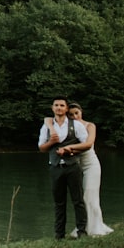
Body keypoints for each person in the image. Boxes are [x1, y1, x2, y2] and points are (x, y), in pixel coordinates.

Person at [38, 96, 89, 239]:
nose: (59, 107)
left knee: (78, 200)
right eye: (56, 105)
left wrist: (70, 150)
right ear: (52, 108)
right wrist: (51, 142)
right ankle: (59, 235)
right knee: (59, 202)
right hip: (55, 167)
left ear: (66, 108)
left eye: (62, 105)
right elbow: (41, 147)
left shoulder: (76, 125)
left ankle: (82, 232)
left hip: (72, 166)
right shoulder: (46, 127)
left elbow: (86, 145)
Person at [66, 103, 114, 236]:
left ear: (81, 112)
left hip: (91, 166)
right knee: (80, 198)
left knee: (89, 195)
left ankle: (93, 228)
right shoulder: (69, 129)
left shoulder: (89, 126)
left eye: (77, 113)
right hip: (76, 167)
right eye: (71, 114)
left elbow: (88, 144)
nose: (74, 116)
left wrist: (69, 149)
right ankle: (83, 226)